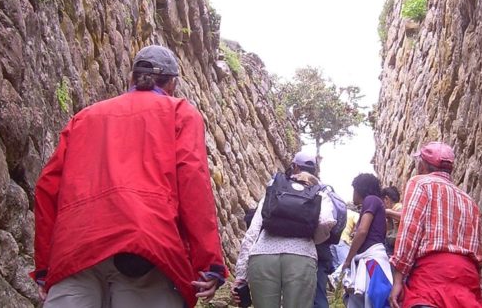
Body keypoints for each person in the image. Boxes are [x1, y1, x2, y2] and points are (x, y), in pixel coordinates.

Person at [32, 45, 227, 308]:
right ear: (171, 83)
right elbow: (193, 182)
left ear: (131, 78)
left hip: (75, 249)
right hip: (146, 247)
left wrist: (45, 267)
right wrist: (209, 262)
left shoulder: (84, 118)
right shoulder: (179, 113)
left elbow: (47, 187)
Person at [233, 152, 336, 308]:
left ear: (293, 167)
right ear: (314, 171)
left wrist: (241, 275)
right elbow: (326, 222)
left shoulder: (275, 189)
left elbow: (253, 232)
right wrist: (309, 237)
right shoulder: (319, 193)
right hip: (301, 257)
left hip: (263, 256)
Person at [389, 142, 482, 308]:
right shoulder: (470, 202)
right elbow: (477, 252)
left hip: (432, 279)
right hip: (468, 282)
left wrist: (397, 279)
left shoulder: (420, 183)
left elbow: (409, 232)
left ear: (422, 164)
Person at [342, 173, 392, 308]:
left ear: (359, 189)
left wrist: (348, 259)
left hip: (371, 261)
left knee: (369, 301)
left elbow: (362, 231)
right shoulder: (378, 203)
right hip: (373, 258)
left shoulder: (370, 200)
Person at [381, 186, 403, 255]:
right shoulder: (392, 211)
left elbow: (406, 218)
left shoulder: (399, 207)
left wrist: (389, 213)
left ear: (386, 199)